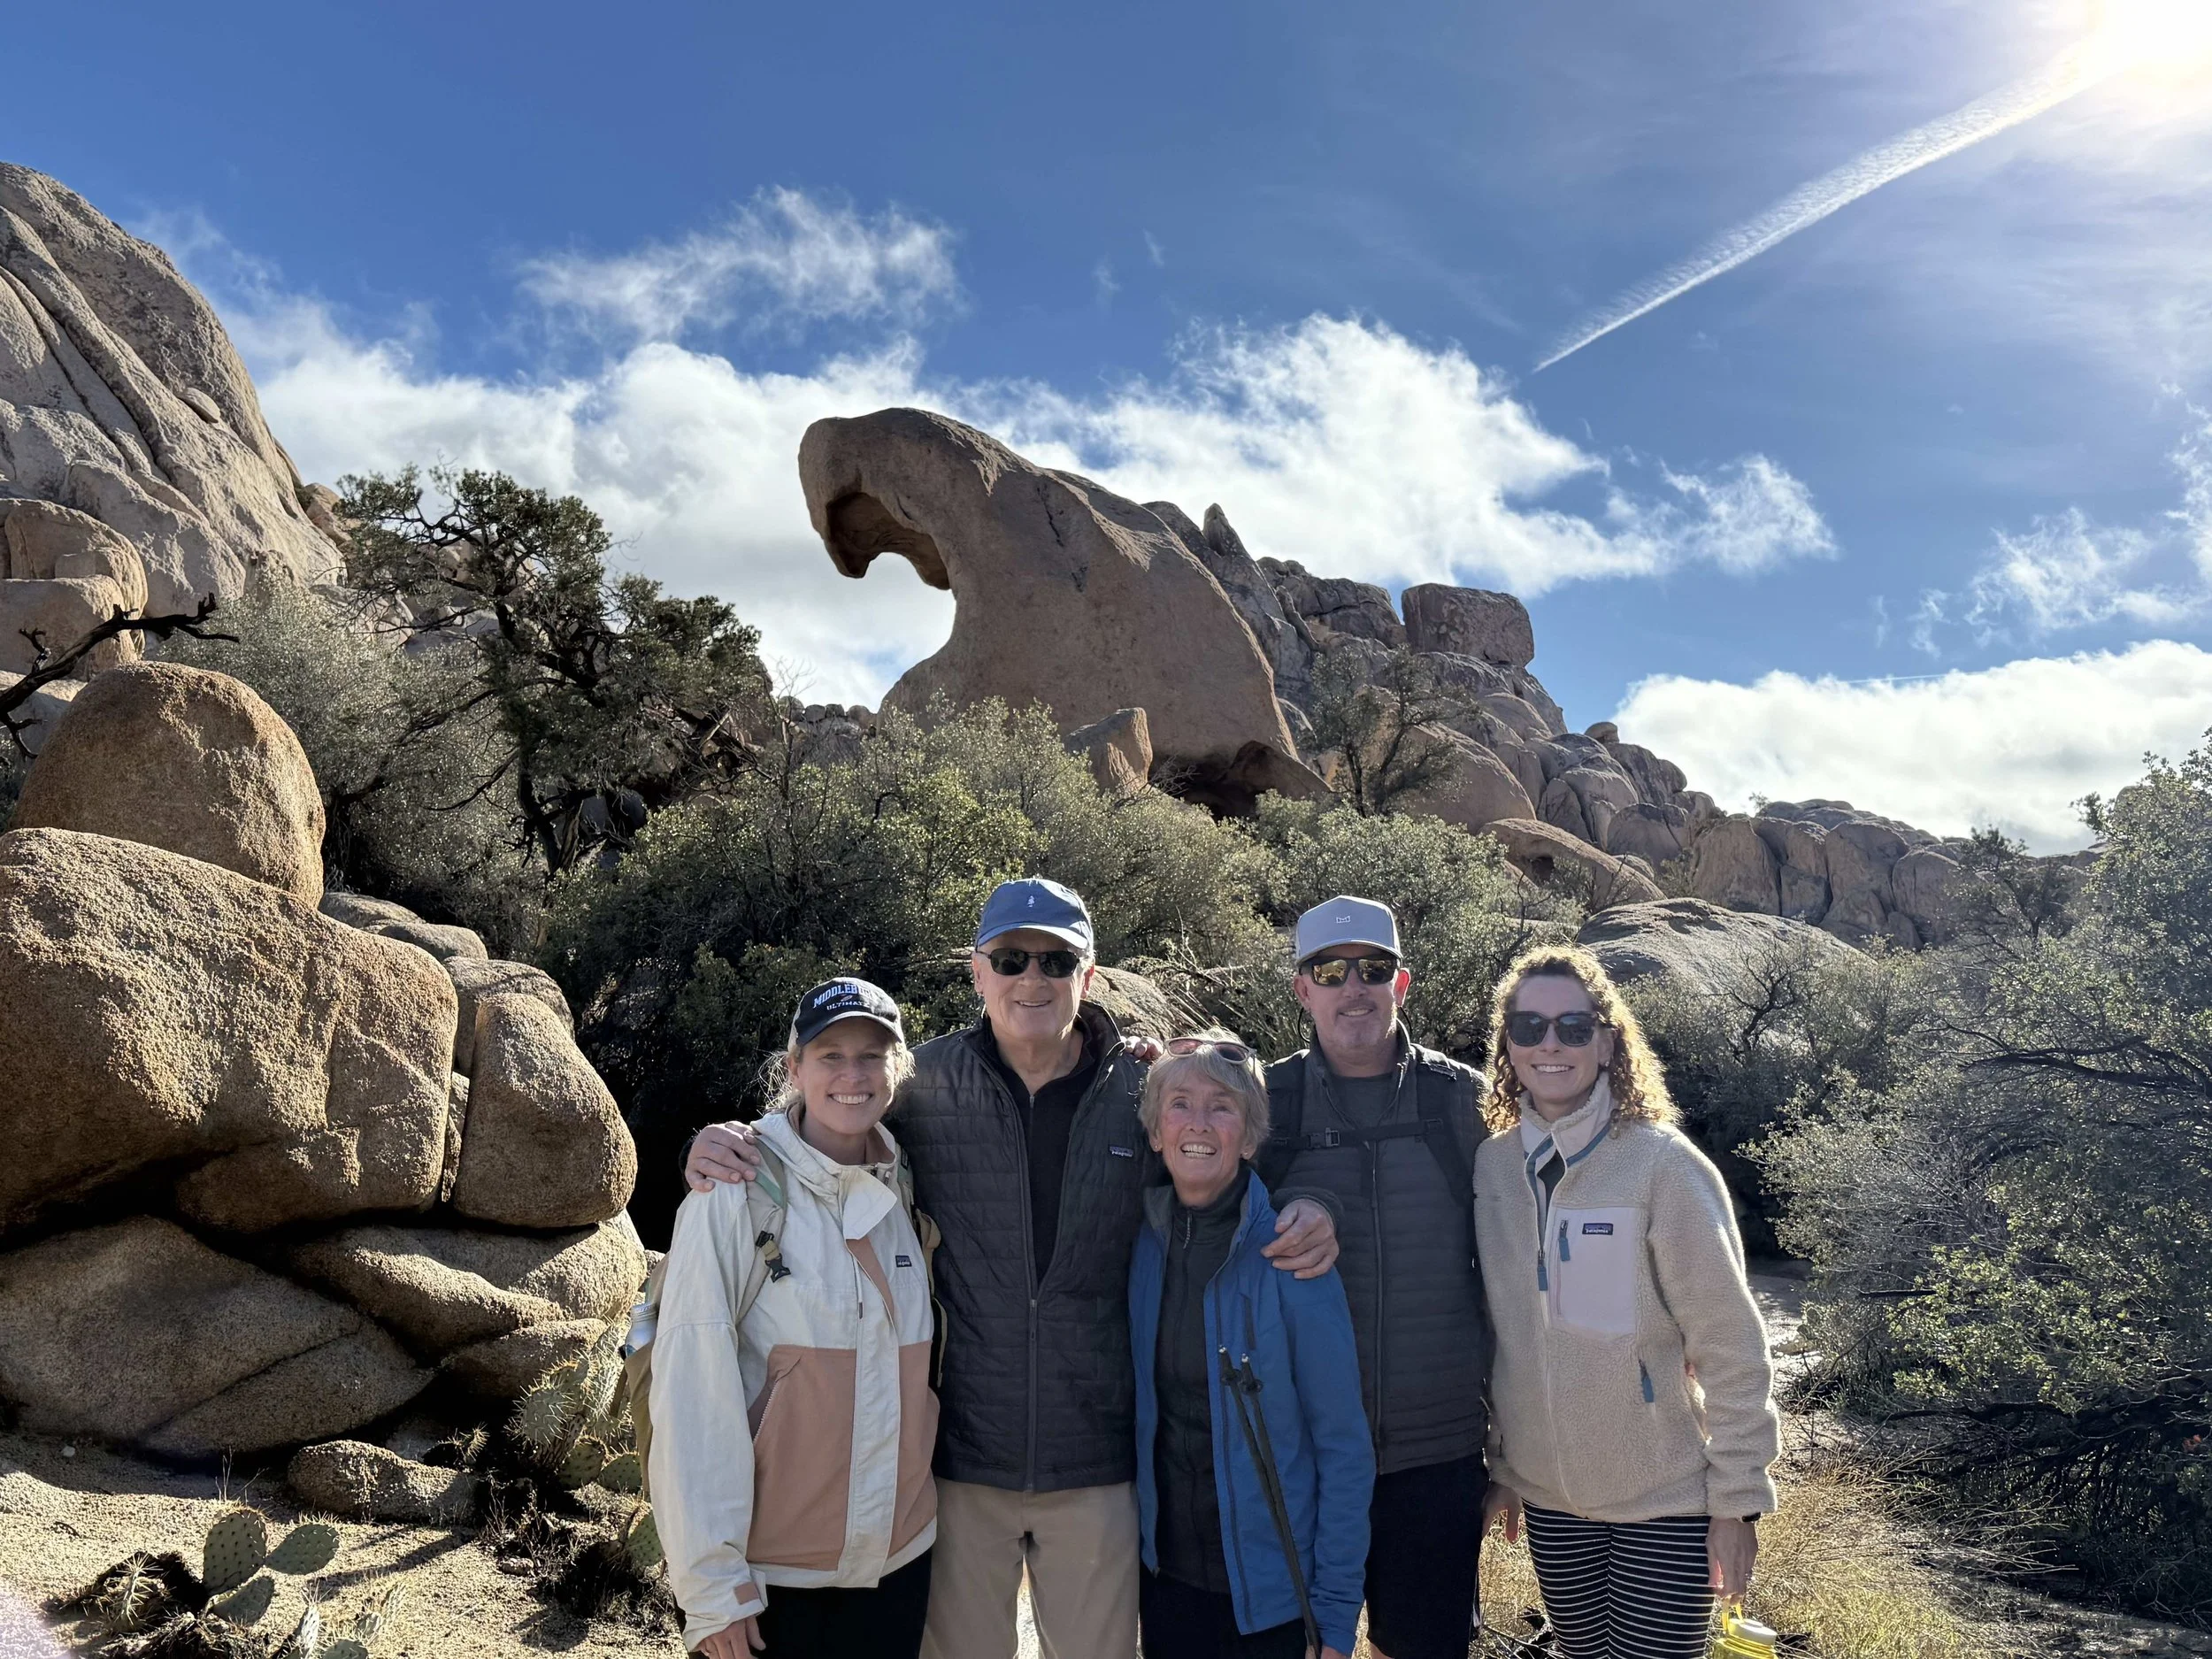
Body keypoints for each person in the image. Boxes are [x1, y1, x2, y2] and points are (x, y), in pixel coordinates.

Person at [685, 878, 1341, 1659]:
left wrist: (1310, 1199)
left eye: (1056, 960)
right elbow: (830, 1113)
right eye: (1012, 958)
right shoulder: (920, 1085)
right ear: (978, 972)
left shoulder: (1143, 1089)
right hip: (960, 1463)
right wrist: (728, 1140)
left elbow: (1236, 1144)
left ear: (1089, 976)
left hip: (1094, 1460)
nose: (1033, 977)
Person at [1473, 944, 1780, 1659]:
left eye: (1573, 1027)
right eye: (1529, 1027)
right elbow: (1509, 1339)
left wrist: (1737, 1501)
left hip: (1664, 1503)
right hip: (1552, 1505)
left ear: (1608, 1041)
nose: (1551, 1044)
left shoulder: (1664, 1167)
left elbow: (1732, 1344)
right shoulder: (1492, 1169)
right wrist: (1508, 1469)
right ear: (1507, 1044)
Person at [649, 977, 940, 1659]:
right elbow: (691, 1399)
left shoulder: (904, 1188)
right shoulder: (733, 1193)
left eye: (871, 1055)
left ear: (896, 1069)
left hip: (898, 1567)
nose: (852, 1074)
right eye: (830, 1055)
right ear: (794, 1069)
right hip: (773, 1582)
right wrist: (714, 1588)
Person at [1250, 896, 1492, 1659]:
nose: (1353, 987)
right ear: (1302, 988)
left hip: (1435, 1450)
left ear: (1402, 982)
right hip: (1299, 1451)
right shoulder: (1263, 1101)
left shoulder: (1466, 1102)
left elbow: (1527, 1260)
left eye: (1374, 969)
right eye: (1330, 969)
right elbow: (1197, 1220)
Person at [1132, 1031, 1372, 1659]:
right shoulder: (1136, 1247)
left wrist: (1337, 1613)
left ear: (1252, 1134)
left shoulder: (1292, 1256)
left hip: (1274, 1602)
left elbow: (1343, 1448)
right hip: (1166, 1589)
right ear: (1155, 1131)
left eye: (1224, 1105)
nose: (1200, 1122)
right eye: (1180, 1102)